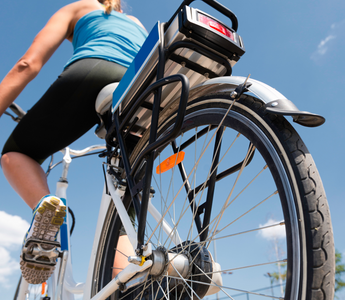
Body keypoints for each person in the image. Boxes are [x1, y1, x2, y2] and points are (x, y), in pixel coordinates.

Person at [0, 0, 147, 285]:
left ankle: (45, 204)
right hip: (140, 93)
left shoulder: (79, 8)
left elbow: (27, 64)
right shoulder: (137, 23)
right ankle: (130, 284)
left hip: (95, 72)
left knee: (17, 154)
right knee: (122, 216)